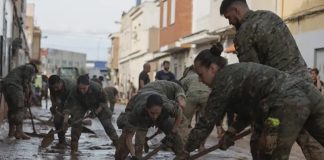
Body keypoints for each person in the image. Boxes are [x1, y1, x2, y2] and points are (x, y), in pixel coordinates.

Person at [220, 0, 324, 158]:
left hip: (281, 101)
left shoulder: (244, 33)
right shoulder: (272, 17)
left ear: (235, 10)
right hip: (307, 92)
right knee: (314, 146)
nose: (230, 22)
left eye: (229, 17)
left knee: (262, 149)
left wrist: (235, 128)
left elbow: (253, 83)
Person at [185, 47, 324, 159]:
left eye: (200, 74)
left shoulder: (222, 80)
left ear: (213, 68)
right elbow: (249, 111)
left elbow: (206, 122)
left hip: (287, 103)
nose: (200, 80)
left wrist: (184, 151)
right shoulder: (235, 74)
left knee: (269, 155)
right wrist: (231, 132)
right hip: (309, 93)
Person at [115, 80, 187, 159]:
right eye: (152, 113)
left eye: (157, 113)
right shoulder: (138, 111)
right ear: (146, 109)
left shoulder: (167, 105)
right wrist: (134, 155)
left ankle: (182, 155)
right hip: (140, 98)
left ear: (162, 108)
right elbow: (131, 137)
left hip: (161, 91)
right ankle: (121, 156)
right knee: (132, 141)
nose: (155, 116)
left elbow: (179, 112)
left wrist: (173, 131)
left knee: (172, 132)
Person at [63, 74, 119, 153]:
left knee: (107, 125)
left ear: (88, 85)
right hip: (81, 104)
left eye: (84, 88)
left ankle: (119, 148)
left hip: (98, 105)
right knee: (76, 123)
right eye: (80, 88)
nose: (82, 91)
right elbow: (68, 105)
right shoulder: (74, 90)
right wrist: (65, 121)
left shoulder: (97, 88)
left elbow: (104, 102)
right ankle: (74, 151)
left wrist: (96, 112)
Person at [1, 63, 38, 139]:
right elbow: (26, 83)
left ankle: (11, 131)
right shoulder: (30, 67)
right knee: (19, 109)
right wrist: (27, 95)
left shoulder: (20, 69)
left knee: (12, 109)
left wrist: (28, 91)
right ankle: (19, 132)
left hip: (5, 86)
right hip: (14, 86)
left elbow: (27, 83)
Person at [179, 65, 211, 150]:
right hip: (206, 97)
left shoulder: (187, 78)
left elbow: (179, 91)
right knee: (204, 122)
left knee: (184, 120)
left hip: (192, 96)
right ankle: (201, 146)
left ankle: (183, 146)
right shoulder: (204, 76)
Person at [48, 75, 76, 148]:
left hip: (75, 101)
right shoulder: (52, 87)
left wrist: (65, 121)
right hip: (62, 99)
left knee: (74, 120)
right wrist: (54, 106)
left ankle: (74, 142)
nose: (55, 89)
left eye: (57, 87)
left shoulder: (71, 86)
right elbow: (53, 96)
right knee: (57, 120)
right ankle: (62, 142)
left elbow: (69, 105)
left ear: (60, 82)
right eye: (53, 88)